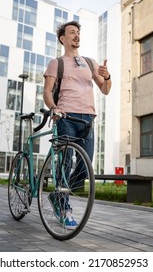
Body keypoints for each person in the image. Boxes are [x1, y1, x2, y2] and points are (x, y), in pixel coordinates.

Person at [43, 21, 111, 229]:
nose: (76, 35)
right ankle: (64, 208)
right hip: (66, 116)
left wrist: (107, 76)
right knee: (65, 164)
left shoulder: (90, 63)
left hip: (88, 119)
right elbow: (47, 91)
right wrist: (54, 107)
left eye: (78, 32)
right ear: (63, 38)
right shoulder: (57, 63)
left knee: (84, 167)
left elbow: (105, 89)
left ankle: (57, 195)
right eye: (72, 32)